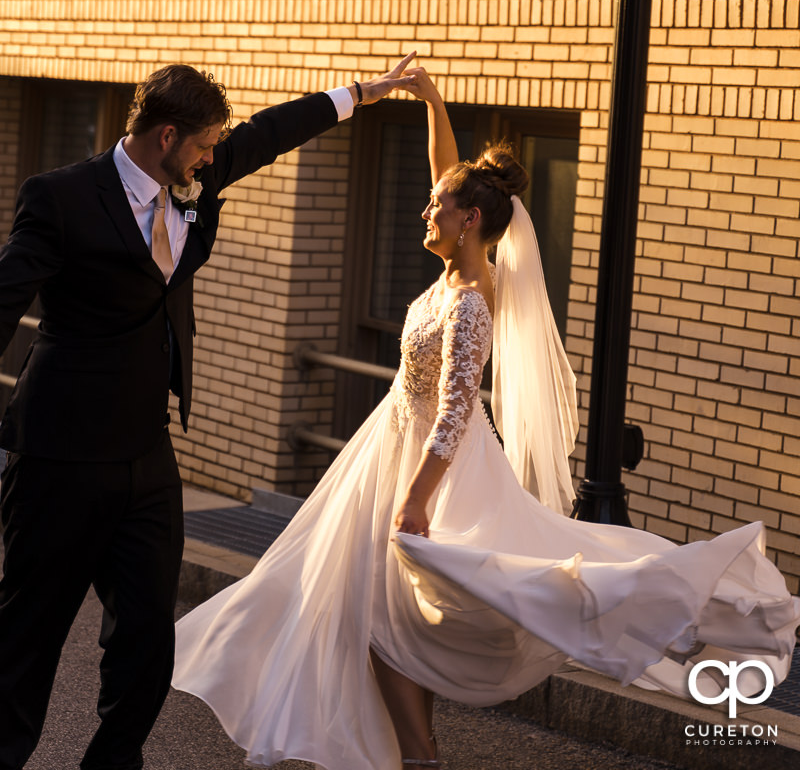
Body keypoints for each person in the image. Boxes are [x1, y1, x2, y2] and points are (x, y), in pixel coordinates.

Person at [172, 69, 799, 770]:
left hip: (437, 467)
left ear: (470, 221)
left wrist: (415, 498)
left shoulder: (473, 298)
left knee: (406, 609)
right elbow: (451, 175)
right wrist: (433, 102)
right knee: (375, 608)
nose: (425, 211)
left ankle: (421, 754)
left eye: (437, 207)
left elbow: (454, 410)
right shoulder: (454, 264)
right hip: (393, 451)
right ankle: (417, 753)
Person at [0, 53, 417, 770]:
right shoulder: (61, 197)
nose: (214, 154)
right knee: (29, 638)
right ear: (166, 137)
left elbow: (269, 132)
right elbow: (5, 296)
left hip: (146, 450)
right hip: (59, 454)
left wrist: (359, 95)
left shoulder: (194, 177)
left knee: (147, 641)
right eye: (203, 143)